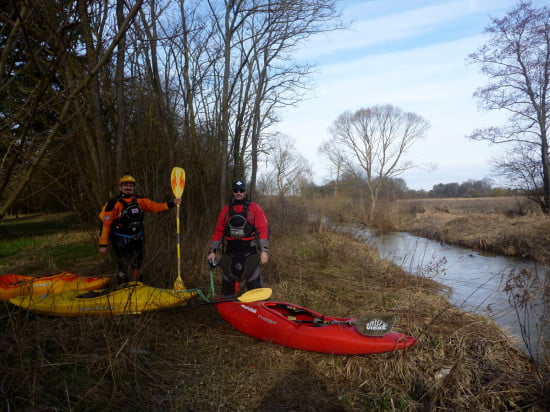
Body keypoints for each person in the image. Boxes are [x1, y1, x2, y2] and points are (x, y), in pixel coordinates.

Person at [99, 173, 181, 284]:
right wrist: (103, 244)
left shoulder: (140, 201)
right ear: (120, 187)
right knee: (122, 260)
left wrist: (172, 203)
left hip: (137, 236)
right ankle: (122, 280)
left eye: (130, 186)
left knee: (138, 260)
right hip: (120, 237)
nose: (128, 188)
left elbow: (155, 207)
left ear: (134, 187)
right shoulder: (113, 204)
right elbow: (106, 224)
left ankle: (136, 281)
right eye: (125, 186)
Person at [207, 179, 270, 298]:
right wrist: (213, 251)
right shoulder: (226, 210)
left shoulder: (255, 208)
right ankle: (229, 308)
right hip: (231, 252)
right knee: (228, 285)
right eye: (236, 190)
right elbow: (219, 231)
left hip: (249, 252)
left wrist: (264, 251)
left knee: (255, 286)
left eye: (241, 190)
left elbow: (264, 229)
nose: (239, 193)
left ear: (246, 191)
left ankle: (257, 309)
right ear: (233, 192)